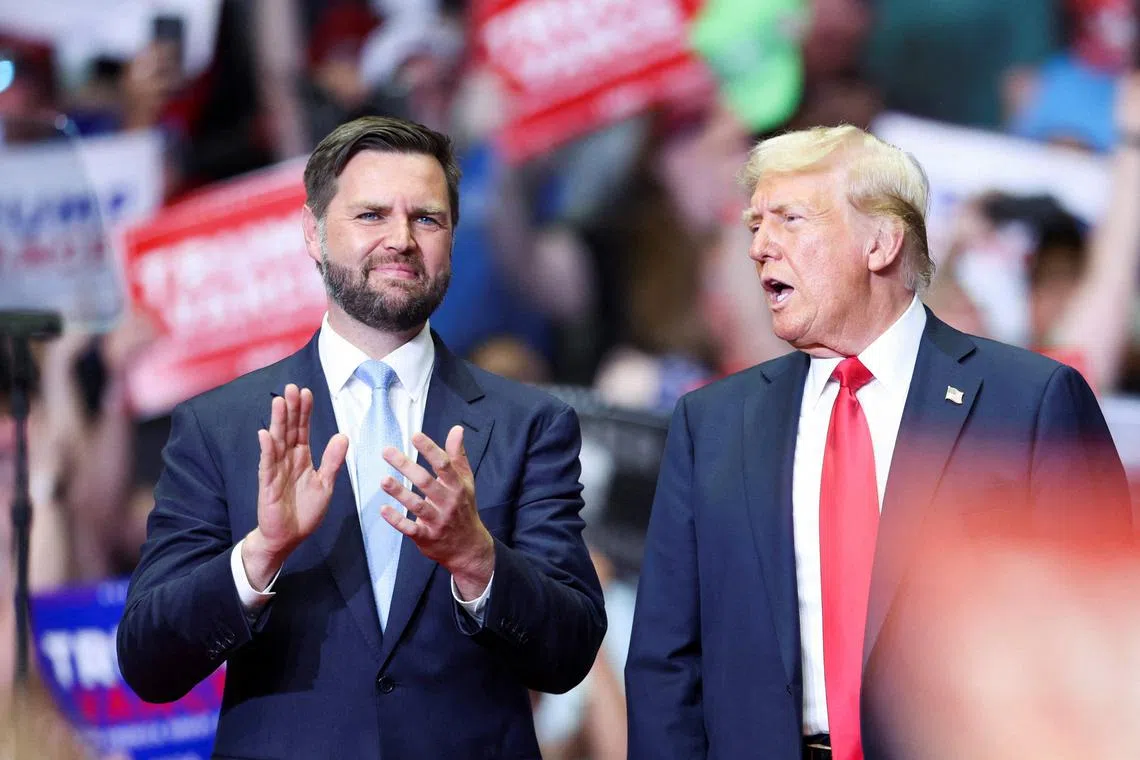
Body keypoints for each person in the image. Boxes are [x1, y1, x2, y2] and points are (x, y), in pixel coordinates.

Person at [624, 124, 1132, 760]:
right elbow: (666, 662)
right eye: (755, 224)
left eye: (789, 219)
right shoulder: (713, 423)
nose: (759, 246)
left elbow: (1096, 642)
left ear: (881, 242)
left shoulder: (1029, 404)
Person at [116, 115, 606, 758]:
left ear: (453, 238)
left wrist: (477, 559)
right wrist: (260, 553)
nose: (401, 239)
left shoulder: (530, 424)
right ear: (313, 234)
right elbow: (150, 663)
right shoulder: (220, 425)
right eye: (371, 215)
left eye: (427, 218)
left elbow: (569, 653)